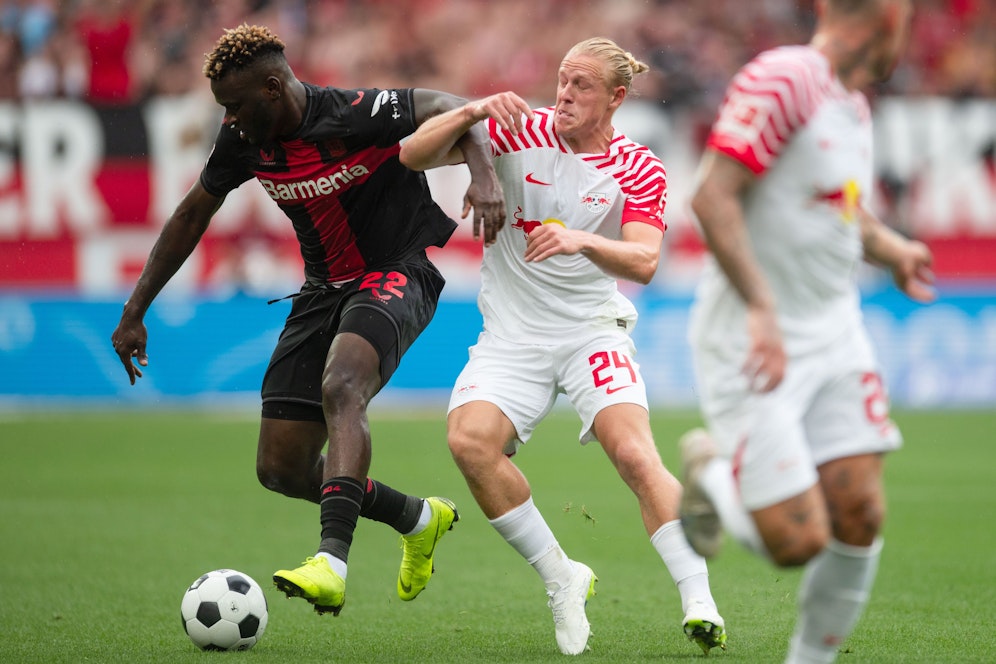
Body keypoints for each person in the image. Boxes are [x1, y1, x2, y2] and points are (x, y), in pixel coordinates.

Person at [110, 23, 508, 617]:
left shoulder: (355, 113)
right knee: (281, 467)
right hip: (322, 292)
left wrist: (482, 173)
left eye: (237, 106)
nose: (232, 120)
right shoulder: (243, 140)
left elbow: (455, 108)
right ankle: (418, 517)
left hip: (397, 272)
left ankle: (332, 562)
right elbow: (193, 213)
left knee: (342, 386)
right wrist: (134, 310)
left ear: (273, 87)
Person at [400, 37, 726, 656]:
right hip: (512, 339)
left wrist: (582, 242)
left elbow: (646, 260)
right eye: (562, 80)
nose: (565, 94)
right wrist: (471, 112)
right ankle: (561, 578)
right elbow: (411, 156)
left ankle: (698, 598)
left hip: (589, 329)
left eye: (582, 85)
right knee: (469, 443)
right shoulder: (520, 132)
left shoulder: (639, 167)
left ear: (616, 98)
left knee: (633, 454)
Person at [680, 1, 934, 662]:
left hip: (835, 331)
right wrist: (762, 306)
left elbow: (844, 210)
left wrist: (893, 248)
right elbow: (711, 196)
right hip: (754, 334)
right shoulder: (786, 76)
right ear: (886, 17)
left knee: (861, 516)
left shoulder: (853, 103)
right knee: (795, 544)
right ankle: (711, 468)